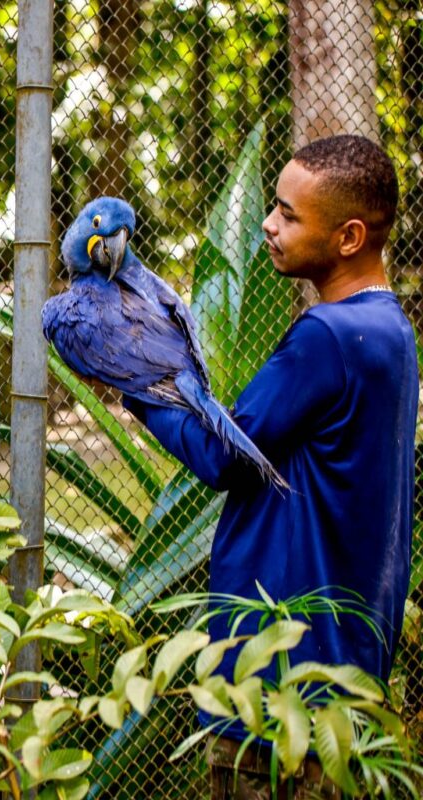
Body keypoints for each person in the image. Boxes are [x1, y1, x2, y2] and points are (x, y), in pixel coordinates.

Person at [122, 135, 416, 799]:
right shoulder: (390, 330)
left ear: (348, 237)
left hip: (278, 690)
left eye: (288, 214)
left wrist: (134, 383)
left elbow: (224, 454)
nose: (267, 224)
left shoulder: (329, 338)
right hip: (341, 681)